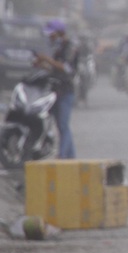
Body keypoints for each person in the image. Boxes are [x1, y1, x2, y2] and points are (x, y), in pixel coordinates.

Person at [34, 19, 79, 159]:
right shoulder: (58, 49)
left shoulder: (70, 47)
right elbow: (55, 69)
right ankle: (70, 156)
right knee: (60, 126)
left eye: (52, 35)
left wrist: (47, 59)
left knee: (63, 125)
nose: (50, 38)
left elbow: (65, 67)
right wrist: (42, 65)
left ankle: (63, 156)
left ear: (60, 33)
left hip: (66, 91)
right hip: (55, 90)